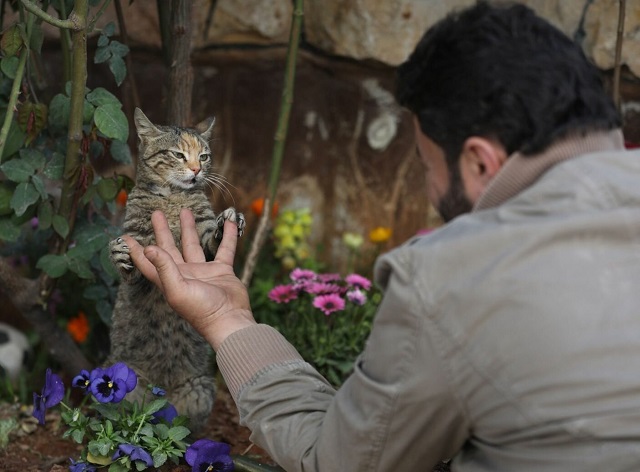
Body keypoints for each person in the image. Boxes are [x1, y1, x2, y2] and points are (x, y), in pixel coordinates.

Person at [122, 2, 640, 471]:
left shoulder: (454, 276)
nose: (431, 190)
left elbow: (346, 464)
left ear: (480, 160)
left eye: (424, 165)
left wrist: (226, 321)